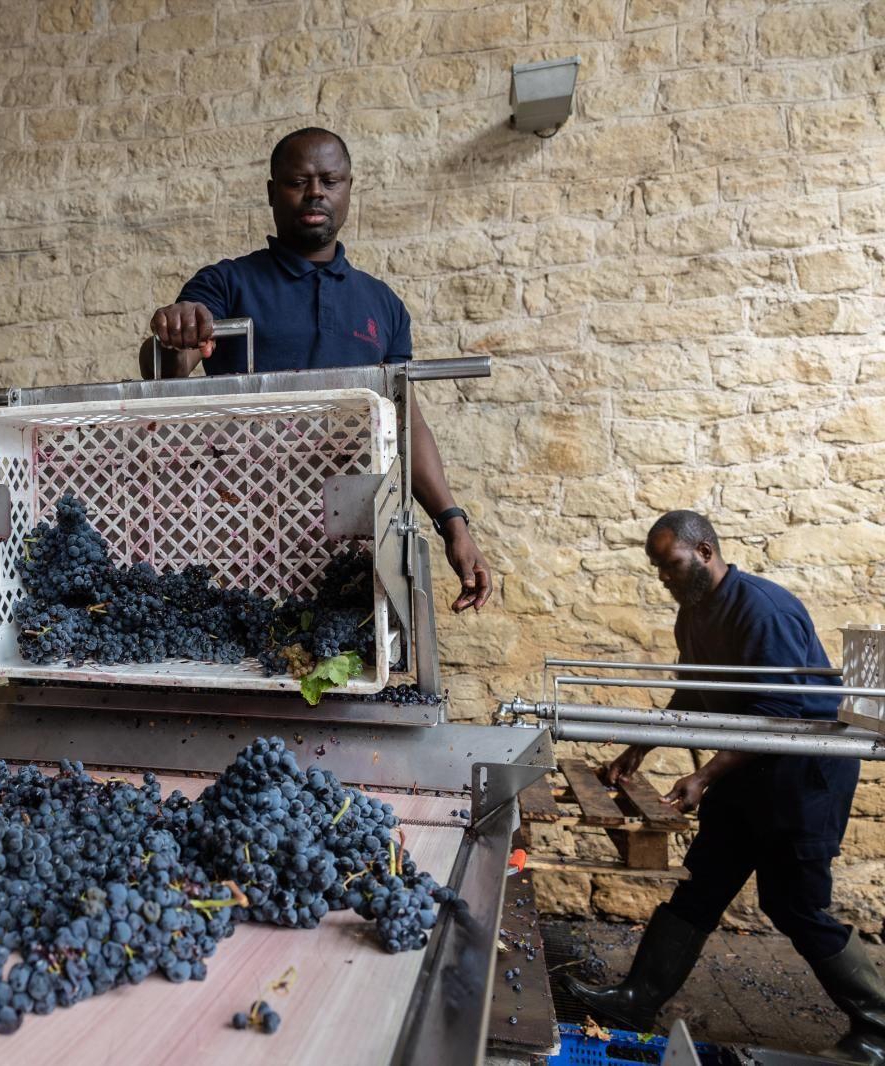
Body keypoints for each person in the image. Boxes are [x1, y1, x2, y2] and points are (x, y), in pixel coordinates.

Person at [568, 510, 881, 1064]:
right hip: (746, 769)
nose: (664, 578)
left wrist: (704, 775)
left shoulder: (764, 609)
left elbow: (781, 713)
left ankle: (877, 1027)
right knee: (703, 884)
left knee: (795, 905)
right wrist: (636, 751)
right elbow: (691, 694)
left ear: (706, 551)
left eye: (672, 565)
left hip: (802, 774)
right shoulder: (693, 616)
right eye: (658, 569)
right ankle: (636, 1001)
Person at [138, 127, 490, 613]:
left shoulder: (382, 304)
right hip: (237, 533)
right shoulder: (227, 281)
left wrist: (454, 524)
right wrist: (176, 331)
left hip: (353, 538)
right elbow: (168, 372)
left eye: (330, 179)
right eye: (298, 181)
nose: (316, 192)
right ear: (271, 192)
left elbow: (407, 422)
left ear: (348, 188)